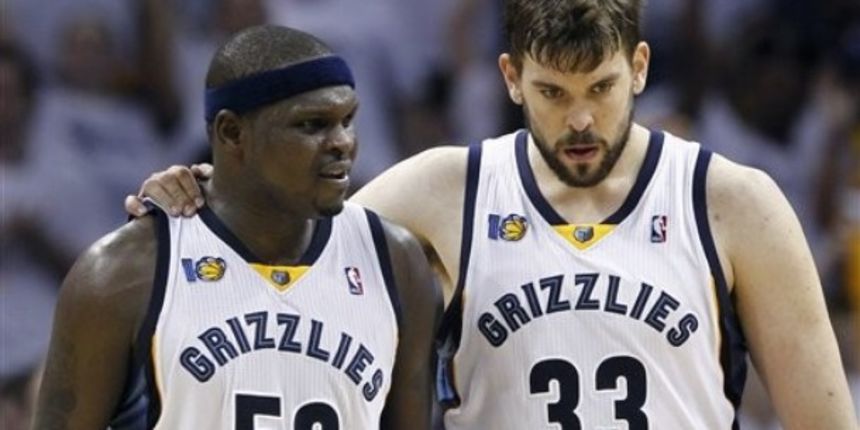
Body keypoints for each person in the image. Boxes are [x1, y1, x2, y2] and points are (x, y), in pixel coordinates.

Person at [126, 1, 858, 428]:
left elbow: (824, 420)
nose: (580, 121)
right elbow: (275, 245)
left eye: (601, 89)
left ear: (638, 66)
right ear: (511, 78)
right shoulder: (446, 188)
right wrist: (192, 191)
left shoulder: (733, 201)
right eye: (552, 93)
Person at [33, 25, 441, 429]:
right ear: (232, 133)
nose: (342, 142)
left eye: (347, 120)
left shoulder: (395, 261)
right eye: (312, 125)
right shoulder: (121, 273)